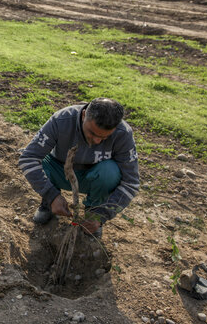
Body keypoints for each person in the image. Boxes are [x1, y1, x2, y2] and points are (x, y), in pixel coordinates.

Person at [19, 98, 139, 238]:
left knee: (110, 172)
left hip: (94, 176)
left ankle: (92, 215)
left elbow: (131, 183)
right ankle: (48, 205)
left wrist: (102, 215)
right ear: (83, 116)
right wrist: (51, 195)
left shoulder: (123, 133)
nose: (96, 141)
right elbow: (28, 158)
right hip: (60, 170)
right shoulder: (62, 120)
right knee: (42, 160)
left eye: (104, 137)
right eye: (92, 133)